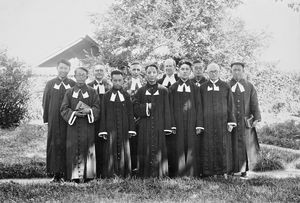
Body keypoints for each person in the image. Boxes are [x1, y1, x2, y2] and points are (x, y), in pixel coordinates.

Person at [60, 67, 100, 183]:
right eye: (79, 75)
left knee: (88, 149)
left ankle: (89, 176)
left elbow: (97, 107)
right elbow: (63, 108)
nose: (81, 77)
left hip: (88, 126)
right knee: (73, 148)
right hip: (73, 126)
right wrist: (73, 113)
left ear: (87, 77)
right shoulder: (69, 92)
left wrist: (90, 111)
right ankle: (74, 176)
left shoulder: (92, 91)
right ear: (75, 76)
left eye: (83, 75)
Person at [133, 64, 172, 178]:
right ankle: (144, 174)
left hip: (159, 124)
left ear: (158, 74)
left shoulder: (164, 90)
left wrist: (167, 126)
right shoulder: (140, 91)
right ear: (145, 75)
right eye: (149, 73)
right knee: (145, 147)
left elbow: (167, 109)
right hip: (145, 125)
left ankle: (160, 174)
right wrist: (146, 107)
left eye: (154, 72)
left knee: (159, 147)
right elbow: (134, 108)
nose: (151, 75)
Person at [199, 63, 236, 178]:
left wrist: (230, 122)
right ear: (207, 73)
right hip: (208, 123)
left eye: (215, 71)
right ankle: (209, 172)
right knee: (208, 146)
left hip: (222, 122)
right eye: (211, 72)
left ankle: (223, 171)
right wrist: (200, 124)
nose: (213, 73)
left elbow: (230, 105)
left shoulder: (225, 86)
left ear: (219, 72)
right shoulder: (203, 87)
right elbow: (199, 106)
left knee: (222, 146)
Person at [42, 59, 76, 182]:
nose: (63, 70)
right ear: (57, 68)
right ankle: (56, 174)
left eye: (65, 68)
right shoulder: (50, 84)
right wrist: (46, 119)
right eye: (61, 68)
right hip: (54, 119)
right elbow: (45, 102)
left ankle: (67, 174)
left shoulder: (73, 83)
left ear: (69, 70)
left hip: (68, 120)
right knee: (54, 145)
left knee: (67, 144)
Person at [168, 60, 203, 177]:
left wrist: (199, 124)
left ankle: (192, 173)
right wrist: (171, 124)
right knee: (178, 145)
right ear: (178, 71)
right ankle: (178, 172)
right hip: (177, 122)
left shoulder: (196, 88)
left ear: (190, 71)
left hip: (192, 122)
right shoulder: (172, 88)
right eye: (182, 69)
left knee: (191, 145)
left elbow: (199, 106)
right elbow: (170, 107)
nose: (184, 71)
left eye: (187, 69)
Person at [98, 70, 136, 177]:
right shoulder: (106, 96)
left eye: (120, 80)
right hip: (111, 128)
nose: (117, 83)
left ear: (123, 81)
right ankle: (111, 173)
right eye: (115, 80)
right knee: (110, 149)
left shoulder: (127, 95)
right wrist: (103, 130)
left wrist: (131, 129)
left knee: (124, 148)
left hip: (124, 127)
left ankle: (125, 173)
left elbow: (130, 113)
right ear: (111, 81)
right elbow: (103, 114)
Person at [229, 62, 261, 178]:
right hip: (231, 122)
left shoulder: (249, 86)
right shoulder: (226, 85)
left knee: (244, 146)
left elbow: (254, 103)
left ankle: (244, 170)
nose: (236, 72)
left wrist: (257, 118)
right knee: (232, 144)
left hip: (244, 121)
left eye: (239, 70)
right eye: (234, 70)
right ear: (231, 71)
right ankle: (231, 169)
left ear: (243, 71)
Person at [88, 64, 111, 178]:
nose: (99, 72)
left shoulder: (109, 86)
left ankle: (104, 172)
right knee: (93, 145)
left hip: (105, 120)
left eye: (101, 70)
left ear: (104, 72)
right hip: (92, 121)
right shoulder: (88, 86)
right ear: (93, 72)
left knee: (104, 146)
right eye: (96, 70)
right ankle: (92, 173)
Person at [123, 61, 146, 174]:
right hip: (130, 117)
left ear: (140, 71)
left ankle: (142, 166)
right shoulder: (125, 84)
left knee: (142, 141)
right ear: (130, 70)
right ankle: (131, 166)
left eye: (138, 69)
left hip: (143, 117)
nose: (136, 72)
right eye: (134, 69)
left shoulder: (146, 83)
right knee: (132, 141)